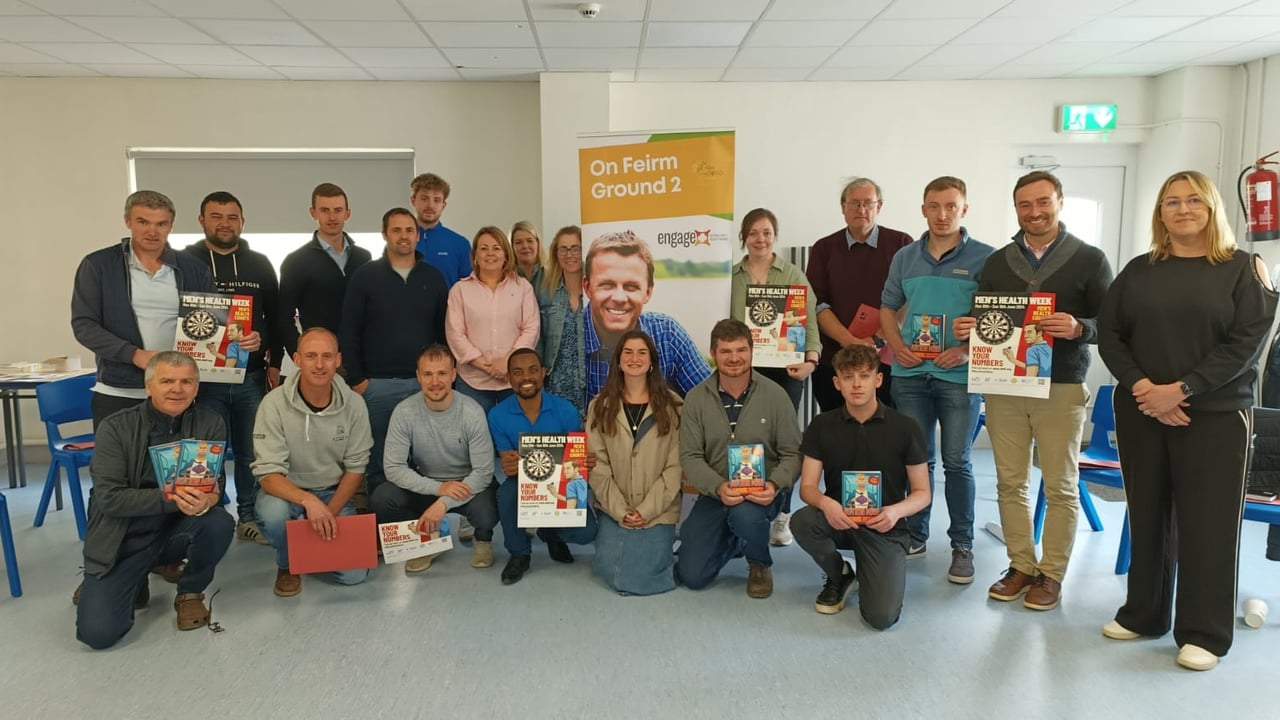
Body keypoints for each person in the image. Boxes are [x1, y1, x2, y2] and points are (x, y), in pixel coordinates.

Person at [1097, 169, 1277, 671]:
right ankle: (1144, 614)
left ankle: (1204, 632)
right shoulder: (1139, 270)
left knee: (1208, 523)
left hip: (1216, 416)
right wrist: (1143, 389)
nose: (1182, 209)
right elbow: (1111, 335)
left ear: (1213, 207)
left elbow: (1246, 344)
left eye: (1193, 200)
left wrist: (1181, 390)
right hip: (1142, 410)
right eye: (1171, 202)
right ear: (1160, 213)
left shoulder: (1243, 269)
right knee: (1147, 513)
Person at [953, 170, 1113, 612]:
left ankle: (1052, 573)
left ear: (1059, 202)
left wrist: (1080, 327)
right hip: (1004, 384)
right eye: (1025, 205)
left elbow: (1115, 325)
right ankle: (1020, 564)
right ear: (1017, 208)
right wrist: (970, 327)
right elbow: (982, 314)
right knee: (1010, 481)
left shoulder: (1090, 259)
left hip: (1061, 385)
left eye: (1043, 202)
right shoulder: (1000, 261)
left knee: (1061, 484)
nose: (1035, 212)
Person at [75, 352, 234, 649]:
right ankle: (125, 578)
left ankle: (190, 591)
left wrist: (210, 499)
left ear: (197, 388)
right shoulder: (114, 427)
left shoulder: (210, 423)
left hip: (176, 531)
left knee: (219, 522)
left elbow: (216, 482)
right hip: (124, 536)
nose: (178, 389)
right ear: (149, 387)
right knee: (98, 634)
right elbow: (109, 500)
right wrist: (174, 499)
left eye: (187, 381)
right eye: (167, 381)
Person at [880, 176, 992, 585]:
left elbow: (998, 321)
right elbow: (887, 308)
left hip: (959, 376)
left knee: (957, 461)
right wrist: (896, 346)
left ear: (964, 208)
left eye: (950, 206)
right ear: (923, 209)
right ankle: (915, 534)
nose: (942, 214)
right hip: (909, 374)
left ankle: (962, 546)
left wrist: (965, 349)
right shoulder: (905, 257)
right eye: (934, 206)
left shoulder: (986, 258)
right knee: (918, 459)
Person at [71, 190, 240, 428]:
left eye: (161, 224)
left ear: (170, 226)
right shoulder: (98, 265)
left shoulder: (193, 268)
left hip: (179, 392)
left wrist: (238, 336)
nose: (152, 231)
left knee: (183, 465)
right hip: (120, 390)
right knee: (119, 465)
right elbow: (84, 325)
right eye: (143, 222)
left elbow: (212, 323)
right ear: (128, 221)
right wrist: (134, 354)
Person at [791, 345, 930, 629]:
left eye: (865, 376)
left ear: (878, 380)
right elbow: (807, 487)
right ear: (836, 382)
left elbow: (922, 493)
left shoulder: (906, 427)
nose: (856, 384)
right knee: (802, 520)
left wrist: (895, 512)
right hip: (838, 519)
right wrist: (827, 503)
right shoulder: (821, 425)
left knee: (881, 617)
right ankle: (840, 574)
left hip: (885, 527)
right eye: (848, 376)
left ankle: (874, 571)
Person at [675, 319, 802, 598]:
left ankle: (759, 562)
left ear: (752, 350)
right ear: (713, 352)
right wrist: (718, 487)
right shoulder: (696, 399)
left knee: (745, 515)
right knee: (691, 576)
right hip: (717, 493)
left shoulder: (776, 395)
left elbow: (793, 454)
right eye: (725, 351)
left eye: (741, 350)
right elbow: (691, 456)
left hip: (762, 494)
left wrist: (774, 484)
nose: (734, 358)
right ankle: (735, 539)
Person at [183, 190, 281, 546]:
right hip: (200, 381)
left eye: (232, 217)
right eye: (216, 216)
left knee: (250, 451)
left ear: (242, 221)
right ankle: (211, 518)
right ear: (201, 220)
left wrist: (262, 339)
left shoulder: (260, 264)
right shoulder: (183, 262)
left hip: (249, 376)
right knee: (205, 451)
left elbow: (274, 314)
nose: (225, 223)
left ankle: (250, 516)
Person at [251, 328, 374, 597]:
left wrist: (328, 512)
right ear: (296, 359)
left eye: (327, 356)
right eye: (311, 356)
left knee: (355, 576)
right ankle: (288, 563)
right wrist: (308, 503)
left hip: (334, 493)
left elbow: (356, 467)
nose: (319, 365)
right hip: (287, 493)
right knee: (273, 515)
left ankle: (308, 549)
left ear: (338, 360)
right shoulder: (272, 404)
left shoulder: (355, 405)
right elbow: (268, 474)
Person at [340, 207, 449, 499]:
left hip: (425, 386)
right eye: (397, 230)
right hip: (377, 386)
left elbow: (443, 333)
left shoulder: (434, 277)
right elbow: (349, 331)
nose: (404, 236)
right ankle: (383, 527)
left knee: (427, 458)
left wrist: (443, 378)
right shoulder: (365, 276)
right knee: (379, 461)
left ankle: (423, 532)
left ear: (417, 235)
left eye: (409, 230)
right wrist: (358, 381)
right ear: (385, 234)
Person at [728, 207, 821, 547]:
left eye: (766, 232)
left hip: (786, 370)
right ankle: (748, 506)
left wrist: (812, 359)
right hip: (744, 370)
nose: (760, 239)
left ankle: (782, 515)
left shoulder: (793, 274)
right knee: (745, 436)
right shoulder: (732, 277)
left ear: (774, 236)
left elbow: (809, 320)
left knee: (784, 442)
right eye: (753, 233)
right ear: (744, 238)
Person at [372, 345, 498, 573]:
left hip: (467, 484)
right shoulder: (404, 412)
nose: (435, 381)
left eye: (442, 373)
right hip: (428, 482)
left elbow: (483, 473)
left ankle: (483, 538)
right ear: (418, 376)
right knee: (383, 497)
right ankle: (426, 540)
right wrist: (439, 489)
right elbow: (393, 468)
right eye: (428, 374)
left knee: (488, 510)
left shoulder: (472, 411)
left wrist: (442, 504)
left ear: (453, 374)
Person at [587, 330, 683, 596]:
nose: (634, 358)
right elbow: (598, 466)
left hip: (658, 509)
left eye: (642, 352)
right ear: (618, 361)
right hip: (613, 507)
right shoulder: (600, 406)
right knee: (611, 568)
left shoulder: (674, 406)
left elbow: (675, 467)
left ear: (652, 361)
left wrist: (646, 511)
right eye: (628, 352)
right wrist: (620, 511)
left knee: (648, 573)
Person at [489, 348, 596, 585]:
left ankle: (550, 533)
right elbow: (507, 462)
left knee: (588, 532)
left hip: (560, 481)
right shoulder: (497, 415)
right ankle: (519, 553)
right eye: (517, 372)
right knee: (506, 493)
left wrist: (585, 462)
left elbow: (575, 458)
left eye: (533, 370)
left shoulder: (566, 410)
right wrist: (508, 464)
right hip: (523, 482)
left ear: (544, 373)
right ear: (509, 378)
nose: (526, 377)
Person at [807, 178, 914, 413]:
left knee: (885, 432)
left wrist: (878, 339)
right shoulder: (823, 249)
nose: (861, 209)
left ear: (879, 206)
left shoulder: (902, 244)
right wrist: (848, 340)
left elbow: (909, 298)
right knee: (836, 431)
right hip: (834, 360)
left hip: (886, 359)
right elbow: (817, 305)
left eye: (868, 203)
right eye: (854, 203)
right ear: (842, 206)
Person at [584, 230, 711, 399]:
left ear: (648, 292)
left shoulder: (667, 334)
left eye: (631, 287)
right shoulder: (567, 338)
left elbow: (711, 403)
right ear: (587, 287)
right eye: (607, 285)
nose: (620, 298)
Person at [445, 226, 540, 415]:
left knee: (514, 435)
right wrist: (484, 365)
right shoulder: (460, 290)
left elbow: (531, 328)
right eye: (484, 248)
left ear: (505, 254)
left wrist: (508, 362)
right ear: (475, 256)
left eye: (496, 248)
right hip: (473, 381)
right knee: (474, 437)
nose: (490, 254)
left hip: (514, 379)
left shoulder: (523, 287)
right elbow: (455, 333)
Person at [277, 183, 373, 359]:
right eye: (324, 210)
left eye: (338, 210)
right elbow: (283, 317)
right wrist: (299, 355)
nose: (332, 217)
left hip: (363, 357)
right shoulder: (296, 262)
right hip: (322, 361)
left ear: (347, 214)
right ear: (313, 213)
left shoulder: (364, 258)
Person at [538, 226, 588, 418]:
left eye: (576, 248)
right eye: (563, 249)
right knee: (562, 445)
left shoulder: (598, 292)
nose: (570, 255)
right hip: (556, 383)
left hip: (590, 382)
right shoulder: (546, 292)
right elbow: (539, 338)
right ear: (556, 254)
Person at [410, 172, 471, 288]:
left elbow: (468, 288)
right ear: (413, 200)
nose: (430, 205)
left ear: (443, 205)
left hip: (448, 306)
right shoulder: (402, 241)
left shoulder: (460, 244)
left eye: (437, 200)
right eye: (424, 198)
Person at [512, 220, 545, 293]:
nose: (525, 246)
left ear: (538, 243)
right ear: (512, 247)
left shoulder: (551, 274)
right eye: (519, 242)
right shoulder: (506, 277)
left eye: (530, 241)